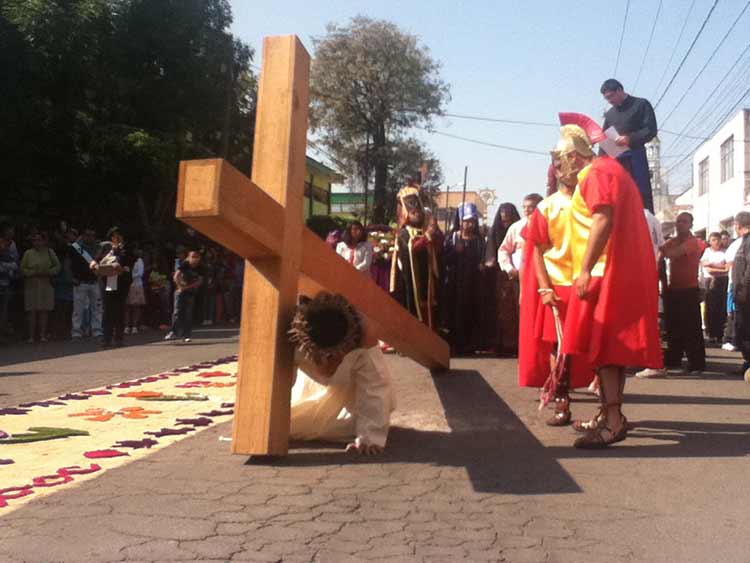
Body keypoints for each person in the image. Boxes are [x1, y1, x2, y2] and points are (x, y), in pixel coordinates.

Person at [534, 120, 662, 448]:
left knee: (605, 348)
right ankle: (609, 414)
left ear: (575, 157)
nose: (557, 168)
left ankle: (613, 421)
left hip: (606, 271)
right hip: (616, 269)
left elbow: (602, 217)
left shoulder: (595, 174)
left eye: (559, 160)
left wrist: (586, 269)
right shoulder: (609, 170)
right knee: (610, 350)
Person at [519, 154, 597, 426]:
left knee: (589, 344)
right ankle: (562, 401)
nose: (570, 170)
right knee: (558, 346)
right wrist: (544, 289)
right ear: (556, 171)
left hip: (586, 283)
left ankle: (608, 407)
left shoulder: (590, 203)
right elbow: (537, 252)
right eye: (563, 165)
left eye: (575, 164)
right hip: (556, 284)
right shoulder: (547, 207)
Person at [288, 292, 395, 454]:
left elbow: (374, 387)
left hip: (352, 394)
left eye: (334, 357)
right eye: (322, 357)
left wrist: (369, 437)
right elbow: (277, 384)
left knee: (349, 424)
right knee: (288, 423)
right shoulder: (292, 337)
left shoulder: (364, 337)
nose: (328, 363)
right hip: (314, 389)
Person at [600, 79, 658, 213]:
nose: (609, 101)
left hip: (636, 160)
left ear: (620, 90)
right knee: (617, 198)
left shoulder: (641, 104)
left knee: (640, 195)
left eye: (611, 96)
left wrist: (629, 139)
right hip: (616, 163)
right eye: (606, 98)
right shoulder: (609, 115)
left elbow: (650, 130)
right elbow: (604, 140)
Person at [390, 184, 441, 330]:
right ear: (406, 214)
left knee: (429, 308)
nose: (417, 214)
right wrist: (427, 238)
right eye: (413, 212)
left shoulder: (425, 229)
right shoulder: (404, 233)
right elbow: (411, 249)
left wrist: (434, 236)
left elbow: (436, 250)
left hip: (428, 278)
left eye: (418, 211)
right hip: (411, 280)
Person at [661, 213, 706, 373]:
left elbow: (671, 254)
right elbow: (662, 252)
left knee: (692, 328)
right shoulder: (672, 241)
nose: (680, 224)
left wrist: (660, 245)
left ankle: (697, 363)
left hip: (689, 290)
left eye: (684, 222)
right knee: (674, 327)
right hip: (673, 290)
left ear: (690, 224)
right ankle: (674, 360)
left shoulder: (693, 242)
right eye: (678, 221)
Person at [443, 203, 484, 355]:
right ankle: (454, 344)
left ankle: (470, 344)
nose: (469, 224)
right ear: (460, 222)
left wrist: (482, 265)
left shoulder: (479, 241)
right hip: (455, 282)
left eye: (472, 221)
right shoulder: (453, 238)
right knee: (454, 313)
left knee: (471, 312)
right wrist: (455, 252)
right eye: (466, 221)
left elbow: (483, 257)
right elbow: (444, 260)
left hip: (473, 283)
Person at [484, 202, 522, 355]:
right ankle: (501, 343)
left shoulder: (519, 230)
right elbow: (491, 252)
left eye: (508, 219)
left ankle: (516, 343)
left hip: (518, 276)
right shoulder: (495, 233)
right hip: (500, 278)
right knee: (501, 311)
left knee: (516, 310)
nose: (505, 221)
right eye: (503, 219)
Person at [94, 227, 132, 347]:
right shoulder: (105, 249)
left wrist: (119, 264)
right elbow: (96, 261)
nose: (116, 239)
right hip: (106, 282)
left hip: (121, 283)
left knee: (119, 310)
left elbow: (127, 264)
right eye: (114, 236)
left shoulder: (126, 250)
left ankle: (119, 338)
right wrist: (96, 266)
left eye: (119, 236)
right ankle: (106, 338)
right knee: (107, 310)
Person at [20, 232, 61, 343]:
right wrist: (32, 272)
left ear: (44, 241)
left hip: (46, 282)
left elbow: (57, 266)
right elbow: (22, 268)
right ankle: (31, 336)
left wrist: (48, 272)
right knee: (31, 311)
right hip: (31, 283)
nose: (37, 242)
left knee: (44, 310)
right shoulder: (28, 253)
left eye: (39, 240)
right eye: (35, 240)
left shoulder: (49, 252)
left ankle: (43, 335)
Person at [70, 228, 103, 339]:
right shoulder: (77, 248)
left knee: (97, 308)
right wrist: (73, 277)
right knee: (78, 309)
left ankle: (96, 330)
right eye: (87, 235)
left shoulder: (98, 248)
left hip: (94, 281)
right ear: (83, 236)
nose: (90, 237)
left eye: (92, 235)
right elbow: (71, 264)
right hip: (80, 281)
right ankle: (76, 331)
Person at [165, 250, 203, 343]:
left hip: (190, 292)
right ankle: (174, 331)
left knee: (188, 314)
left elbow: (199, 281)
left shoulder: (201, 267)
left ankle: (187, 335)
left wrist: (187, 287)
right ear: (189, 257)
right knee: (177, 312)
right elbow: (176, 276)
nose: (194, 259)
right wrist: (180, 287)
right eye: (192, 256)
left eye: (196, 257)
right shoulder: (184, 264)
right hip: (180, 291)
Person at [729, 212, 750, 375]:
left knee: (746, 329)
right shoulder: (744, 241)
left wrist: (744, 288)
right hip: (741, 293)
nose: (734, 227)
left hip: (746, 293)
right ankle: (747, 363)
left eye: (735, 224)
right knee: (742, 328)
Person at [701, 232, 729, 345]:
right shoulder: (707, 252)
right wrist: (720, 267)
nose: (716, 242)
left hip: (723, 281)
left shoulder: (725, 252)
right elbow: (707, 268)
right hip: (710, 281)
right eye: (713, 240)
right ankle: (711, 333)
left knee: (721, 308)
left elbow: (728, 267)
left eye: (718, 239)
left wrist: (713, 265)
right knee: (711, 308)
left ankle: (720, 334)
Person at [722, 229, 744, 352]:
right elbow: (729, 263)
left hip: (741, 284)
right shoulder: (737, 244)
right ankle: (730, 339)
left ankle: (737, 340)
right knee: (733, 312)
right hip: (735, 285)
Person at [0, 232, 18, 341]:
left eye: (3, 243)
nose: (2, 245)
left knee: (4, 312)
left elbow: (15, 265)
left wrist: (4, 266)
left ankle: (1, 335)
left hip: (5, 286)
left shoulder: (7, 254)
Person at [125, 247, 146, 334]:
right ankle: (126, 326)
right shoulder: (126, 259)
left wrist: (130, 276)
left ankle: (134, 326)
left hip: (137, 285)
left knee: (136, 306)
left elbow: (140, 273)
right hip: (127, 285)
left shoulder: (139, 260)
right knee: (127, 306)